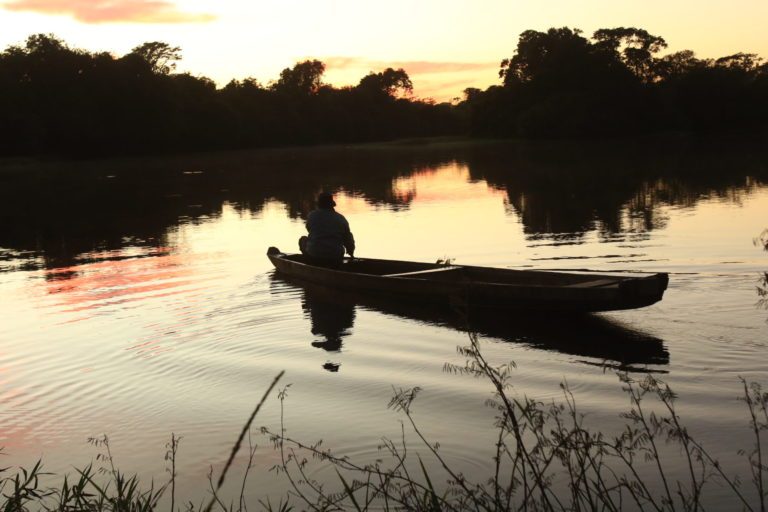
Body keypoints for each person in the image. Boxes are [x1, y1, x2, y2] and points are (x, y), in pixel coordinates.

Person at [298, 192, 355, 264]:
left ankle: (308, 262)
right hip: (336, 257)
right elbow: (348, 239)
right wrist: (351, 253)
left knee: (303, 239)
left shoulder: (312, 216)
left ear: (319, 204)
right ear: (332, 205)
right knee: (348, 236)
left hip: (315, 255)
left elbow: (309, 230)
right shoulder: (341, 218)